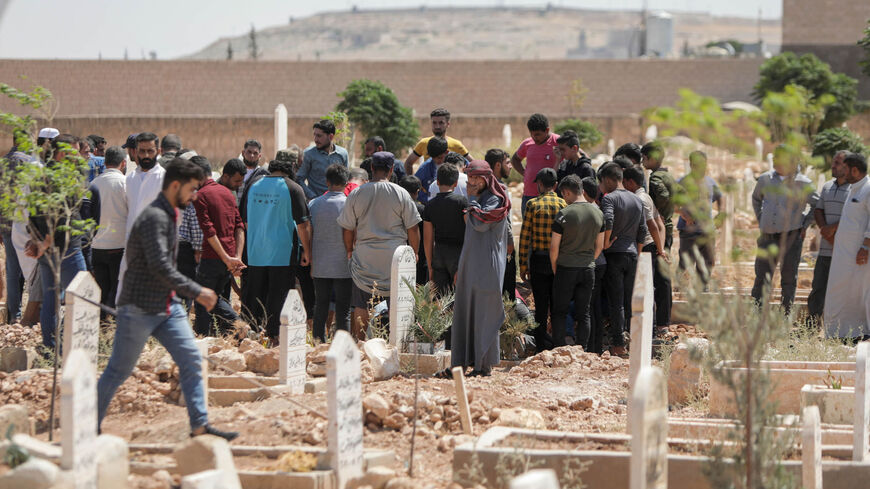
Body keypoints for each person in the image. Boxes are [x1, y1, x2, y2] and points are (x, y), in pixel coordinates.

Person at [97, 158, 237, 441]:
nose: (195, 195)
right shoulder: (154, 218)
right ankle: (88, 425)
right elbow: (159, 265)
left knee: (191, 360)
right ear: (175, 185)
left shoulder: (172, 212)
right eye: (192, 189)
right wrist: (198, 291)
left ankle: (199, 425)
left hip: (168, 305)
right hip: (138, 306)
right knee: (119, 370)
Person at [337, 152, 421, 339]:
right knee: (396, 305)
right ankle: (396, 345)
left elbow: (348, 228)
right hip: (395, 258)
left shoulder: (357, 193)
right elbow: (413, 228)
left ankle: (359, 345)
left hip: (365, 258)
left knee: (361, 304)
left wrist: (350, 250)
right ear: (391, 170)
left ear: (372, 168)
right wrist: (413, 253)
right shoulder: (401, 193)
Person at [26, 134, 88, 349]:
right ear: (62, 152)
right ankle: (75, 348)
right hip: (65, 248)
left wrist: (37, 242)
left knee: (51, 299)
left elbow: (32, 215)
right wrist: (45, 242)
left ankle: (52, 348)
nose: (78, 158)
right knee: (83, 295)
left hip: (47, 249)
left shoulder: (40, 176)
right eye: (74, 152)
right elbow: (59, 217)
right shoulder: (62, 178)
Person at [450, 160, 511, 377]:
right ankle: (461, 363)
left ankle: (482, 366)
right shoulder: (475, 198)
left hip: (488, 263)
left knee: (484, 313)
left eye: (476, 178)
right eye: (470, 178)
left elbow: (480, 223)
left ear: (486, 179)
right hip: (471, 261)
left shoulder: (495, 198)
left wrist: (473, 201)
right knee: (466, 310)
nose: (472, 182)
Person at [241, 158, 311, 342]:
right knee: (279, 294)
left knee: (254, 293)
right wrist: (307, 252)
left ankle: (251, 334)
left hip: (255, 250)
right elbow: (303, 225)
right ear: (290, 171)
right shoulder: (293, 188)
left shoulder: (253, 186)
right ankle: (274, 335)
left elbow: (246, 221)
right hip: (282, 251)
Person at [751, 145, 818, 312]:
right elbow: (756, 199)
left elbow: (817, 205)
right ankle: (757, 316)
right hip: (767, 236)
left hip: (791, 237)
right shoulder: (765, 179)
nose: (775, 161)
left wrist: (804, 225)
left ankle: (785, 316)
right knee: (762, 277)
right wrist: (761, 219)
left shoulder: (803, 183)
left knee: (788, 279)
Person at [550, 175, 604, 350]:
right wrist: (589, 260)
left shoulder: (564, 214)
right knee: (584, 312)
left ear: (566, 192)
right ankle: (583, 349)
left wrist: (555, 267)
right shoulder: (598, 212)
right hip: (588, 269)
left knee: (560, 311)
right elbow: (600, 246)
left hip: (566, 267)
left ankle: (559, 348)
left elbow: (554, 248)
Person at [193, 157, 246, 336]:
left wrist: (227, 258)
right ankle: (224, 336)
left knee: (204, 299)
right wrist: (235, 257)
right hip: (228, 257)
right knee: (217, 297)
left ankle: (236, 326)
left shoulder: (201, 196)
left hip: (213, 257)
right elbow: (240, 227)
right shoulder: (227, 193)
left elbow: (209, 232)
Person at [600, 163, 647, 356]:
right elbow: (643, 230)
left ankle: (618, 344)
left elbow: (608, 220)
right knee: (630, 301)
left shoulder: (609, 198)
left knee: (616, 302)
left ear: (609, 179)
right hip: (632, 254)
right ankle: (633, 341)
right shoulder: (637, 200)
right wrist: (637, 251)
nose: (600, 186)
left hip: (615, 255)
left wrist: (606, 242)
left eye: (601, 181)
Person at [518, 167, 566, 352]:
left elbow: (525, 238)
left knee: (540, 307)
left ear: (539, 184)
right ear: (556, 185)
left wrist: (523, 265)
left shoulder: (532, 205)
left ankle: (540, 348)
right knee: (557, 306)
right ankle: (557, 346)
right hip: (558, 262)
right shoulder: (564, 205)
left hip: (538, 261)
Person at [824, 152, 870, 341]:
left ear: (854, 170)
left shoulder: (868, 188)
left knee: (860, 293)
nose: (842, 173)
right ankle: (839, 332)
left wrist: (865, 246)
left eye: (845, 169)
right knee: (840, 291)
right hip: (843, 255)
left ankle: (861, 331)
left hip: (859, 254)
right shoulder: (853, 188)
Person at [308, 164, 353, 342]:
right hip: (344, 263)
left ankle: (318, 343)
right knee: (343, 310)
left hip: (320, 264)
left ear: (326, 181)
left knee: (321, 306)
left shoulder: (314, 204)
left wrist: (311, 259)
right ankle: (343, 346)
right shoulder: (350, 204)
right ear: (346, 182)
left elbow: (309, 234)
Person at [624, 166, 669, 333]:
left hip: (644, 247)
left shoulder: (640, 200)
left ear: (629, 181)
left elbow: (651, 226)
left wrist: (659, 249)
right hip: (650, 246)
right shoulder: (646, 196)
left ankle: (649, 327)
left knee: (644, 289)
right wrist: (660, 248)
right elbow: (659, 224)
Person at [808, 151, 851, 323]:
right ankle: (811, 327)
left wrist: (833, 230)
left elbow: (853, 216)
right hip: (825, 250)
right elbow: (819, 210)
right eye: (833, 162)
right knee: (818, 288)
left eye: (837, 163)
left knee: (843, 291)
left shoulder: (855, 190)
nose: (833, 166)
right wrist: (825, 229)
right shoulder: (827, 186)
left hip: (845, 252)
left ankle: (842, 328)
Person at [88, 146, 128, 319]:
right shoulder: (125, 183)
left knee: (102, 289)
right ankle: (113, 328)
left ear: (105, 163)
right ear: (123, 163)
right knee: (116, 288)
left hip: (96, 246)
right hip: (118, 245)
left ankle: (101, 326)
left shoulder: (94, 183)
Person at [641, 140, 674, 330]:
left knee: (660, 278)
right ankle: (664, 321)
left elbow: (663, 196)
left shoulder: (655, 179)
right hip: (667, 228)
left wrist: (658, 210)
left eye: (645, 158)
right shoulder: (667, 175)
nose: (643, 162)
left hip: (659, 230)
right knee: (664, 276)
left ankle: (661, 322)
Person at [676, 151, 723, 281]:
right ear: (691, 165)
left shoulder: (711, 182)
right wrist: (683, 214)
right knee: (685, 263)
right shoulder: (682, 182)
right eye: (696, 164)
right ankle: (677, 291)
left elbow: (721, 198)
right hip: (688, 230)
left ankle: (703, 291)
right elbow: (671, 203)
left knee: (707, 262)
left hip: (707, 231)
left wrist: (721, 215)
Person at [423, 163, 468, 297]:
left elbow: (428, 238)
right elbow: (470, 233)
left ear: (437, 182)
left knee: (441, 300)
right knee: (459, 299)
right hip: (459, 254)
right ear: (455, 183)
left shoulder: (429, 206)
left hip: (439, 255)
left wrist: (430, 266)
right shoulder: (462, 202)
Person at [2, 130, 33, 323]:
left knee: (12, 268)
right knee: (33, 267)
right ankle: (34, 312)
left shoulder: (3, 162)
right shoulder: (29, 162)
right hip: (24, 223)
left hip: (5, 222)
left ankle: (15, 314)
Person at [484, 148, 517, 297]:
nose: (510, 166)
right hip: (501, 245)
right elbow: (505, 219)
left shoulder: (484, 185)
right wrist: (510, 242)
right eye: (507, 163)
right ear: (497, 165)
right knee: (506, 290)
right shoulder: (499, 188)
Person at [511, 113, 560, 214]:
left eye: (537, 134)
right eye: (532, 134)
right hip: (529, 195)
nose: (534, 137)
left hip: (551, 196)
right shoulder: (527, 144)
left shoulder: (558, 142)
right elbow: (515, 159)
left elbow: (577, 153)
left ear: (547, 130)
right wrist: (525, 174)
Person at [404, 108, 470, 175]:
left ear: (448, 124)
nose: (437, 126)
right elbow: (408, 163)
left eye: (441, 123)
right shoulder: (424, 143)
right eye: (434, 123)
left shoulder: (456, 145)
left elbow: (472, 163)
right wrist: (410, 181)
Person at [298, 120, 349, 200]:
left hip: (337, 202)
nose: (315, 139)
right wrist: (312, 196)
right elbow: (299, 179)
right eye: (314, 135)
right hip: (315, 203)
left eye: (319, 136)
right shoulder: (308, 154)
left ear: (331, 137)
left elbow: (346, 178)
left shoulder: (342, 154)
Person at [398, 175, 428, 285]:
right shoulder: (421, 209)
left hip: (397, 254)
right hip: (418, 257)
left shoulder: (395, 207)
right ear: (417, 191)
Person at [414, 137, 450, 204]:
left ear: (446, 152)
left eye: (439, 157)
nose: (436, 160)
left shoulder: (458, 161)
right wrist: (428, 200)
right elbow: (414, 186)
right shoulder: (424, 168)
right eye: (433, 157)